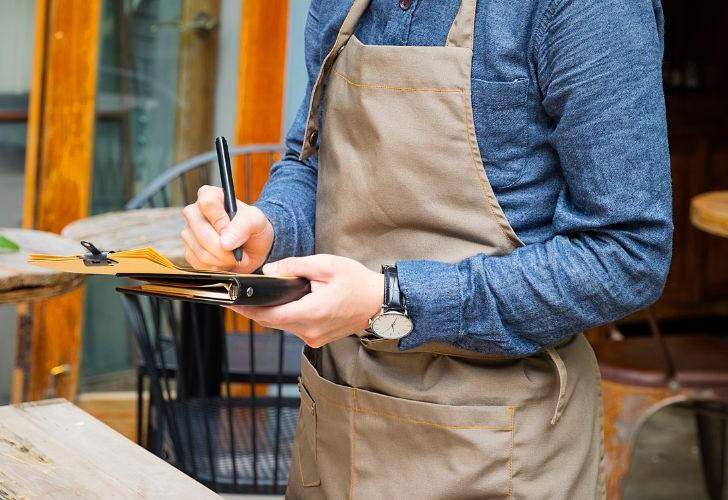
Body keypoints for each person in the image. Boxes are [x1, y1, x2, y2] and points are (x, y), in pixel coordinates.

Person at [181, 0, 672, 497]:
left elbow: (626, 253)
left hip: (498, 455)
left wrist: (392, 302)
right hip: (332, 432)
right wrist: (271, 227)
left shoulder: (590, 10)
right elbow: (311, 161)